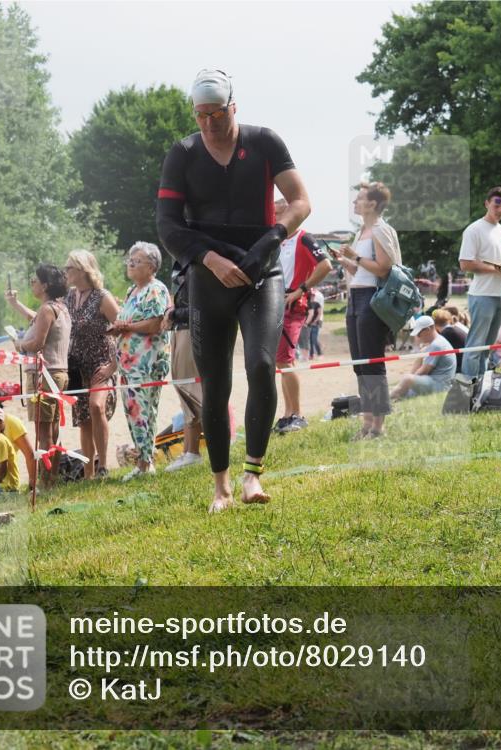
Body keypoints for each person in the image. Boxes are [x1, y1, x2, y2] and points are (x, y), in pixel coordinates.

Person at [156, 68, 310, 511]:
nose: (208, 124)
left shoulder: (264, 143)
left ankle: (252, 476)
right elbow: (167, 226)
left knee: (262, 365)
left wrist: (272, 237)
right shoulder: (182, 153)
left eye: (217, 114)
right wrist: (208, 259)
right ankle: (221, 484)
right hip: (209, 279)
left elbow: (301, 200)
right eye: (200, 115)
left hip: (260, 273)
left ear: (233, 108)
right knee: (216, 382)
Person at [329, 182, 401, 440]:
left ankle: (378, 427)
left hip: (373, 300)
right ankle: (367, 423)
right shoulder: (362, 231)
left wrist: (356, 259)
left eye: (359, 198)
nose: (354, 203)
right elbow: (360, 271)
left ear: (372, 204)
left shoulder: (381, 229)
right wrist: (346, 261)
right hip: (356, 298)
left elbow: (384, 268)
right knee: (360, 364)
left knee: (372, 363)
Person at [109, 242, 171, 481]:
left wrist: (126, 326)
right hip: (127, 363)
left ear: (152, 266)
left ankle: (146, 463)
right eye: (130, 260)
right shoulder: (131, 291)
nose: (131, 263)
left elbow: (155, 324)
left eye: (137, 261)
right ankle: (143, 461)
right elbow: (129, 321)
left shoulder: (155, 289)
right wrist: (118, 328)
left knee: (142, 411)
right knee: (133, 411)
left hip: (146, 362)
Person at [5, 264, 71, 487]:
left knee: (43, 432)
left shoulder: (47, 310)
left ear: (45, 285)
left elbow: (38, 342)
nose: (32, 283)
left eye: (35, 280)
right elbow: (36, 320)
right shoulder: (58, 308)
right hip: (58, 372)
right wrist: (15, 304)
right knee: (52, 428)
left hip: (44, 374)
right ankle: (52, 478)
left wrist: (20, 344)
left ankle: (45, 483)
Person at [273, 199, 332, 435]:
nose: (275, 219)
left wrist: (301, 289)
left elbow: (325, 265)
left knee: (286, 360)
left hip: (292, 305)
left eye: (278, 214)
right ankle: (288, 414)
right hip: (274, 304)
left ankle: (296, 414)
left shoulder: (304, 238)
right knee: (281, 362)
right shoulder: (276, 238)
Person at [64, 250, 119, 479]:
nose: (65, 272)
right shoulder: (69, 297)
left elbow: (123, 328)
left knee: (97, 407)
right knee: (84, 419)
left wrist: (113, 366)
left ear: (82, 270)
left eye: (69, 268)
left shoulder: (102, 296)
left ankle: (103, 466)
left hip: (102, 363)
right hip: (77, 366)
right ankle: (88, 473)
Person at [458, 187, 501, 379]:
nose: (500, 209)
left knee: (488, 348)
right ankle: (468, 387)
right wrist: (498, 268)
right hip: (482, 295)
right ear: (487, 203)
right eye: (497, 204)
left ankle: (482, 385)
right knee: (475, 346)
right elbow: (465, 263)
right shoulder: (474, 229)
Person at [162, 261, 205, 472]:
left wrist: (173, 314)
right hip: (179, 329)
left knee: (192, 391)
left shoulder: (197, 263)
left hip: (192, 329)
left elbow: (202, 305)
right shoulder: (180, 262)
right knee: (183, 389)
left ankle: (193, 452)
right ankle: (189, 450)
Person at [390, 315, 457, 400]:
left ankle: (387, 399)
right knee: (404, 386)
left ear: (428, 330)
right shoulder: (438, 342)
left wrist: (409, 381)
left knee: (407, 379)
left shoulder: (436, 345)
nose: (418, 337)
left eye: (419, 333)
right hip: (438, 383)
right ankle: (392, 396)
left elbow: (424, 371)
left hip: (439, 386)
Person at [306, 287, 324, 359]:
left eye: (313, 295)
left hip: (315, 324)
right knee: (310, 340)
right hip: (309, 324)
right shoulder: (308, 304)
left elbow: (320, 313)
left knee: (314, 339)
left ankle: (320, 353)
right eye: (311, 295)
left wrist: (315, 321)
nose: (312, 297)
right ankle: (311, 355)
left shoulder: (317, 304)